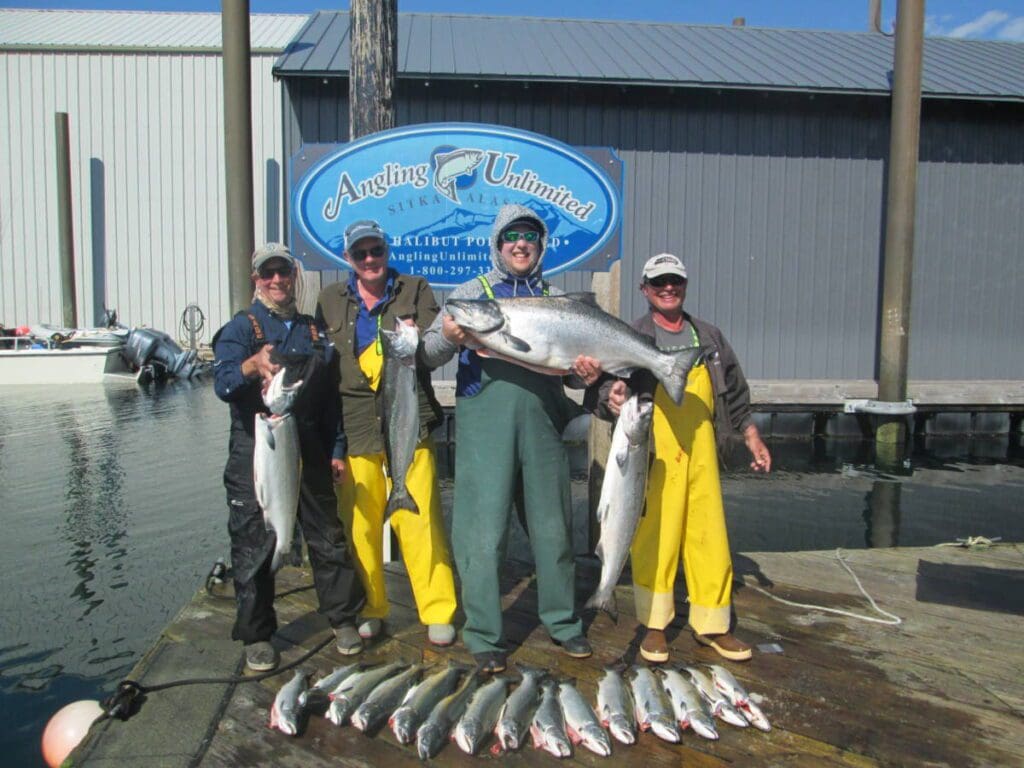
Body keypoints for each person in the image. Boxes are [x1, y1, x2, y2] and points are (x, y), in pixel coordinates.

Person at [421, 203, 603, 673]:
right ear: (497, 245)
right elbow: (425, 353)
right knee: (482, 534)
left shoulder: (557, 298)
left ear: (541, 247)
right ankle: (483, 633)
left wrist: (585, 376)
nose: (520, 244)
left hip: (544, 424)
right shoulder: (469, 293)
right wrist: (448, 335)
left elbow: (573, 378)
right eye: (510, 237)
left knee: (554, 528)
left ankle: (564, 623)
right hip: (485, 425)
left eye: (530, 237)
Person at [592, 252, 771, 664]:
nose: (668, 289)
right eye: (659, 283)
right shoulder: (631, 334)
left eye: (675, 281)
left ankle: (713, 625)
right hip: (651, 450)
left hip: (703, 445)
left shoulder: (708, 337)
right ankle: (655, 626)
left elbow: (735, 394)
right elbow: (603, 389)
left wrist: (751, 435)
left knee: (710, 534)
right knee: (657, 534)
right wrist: (611, 396)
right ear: (645, 290)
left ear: (685, 286)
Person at [213, 243, 366, 671]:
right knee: (253, 546)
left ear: (294, 277)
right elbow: (222, 383)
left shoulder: (312, 330)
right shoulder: (241, 330)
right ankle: (257, 635)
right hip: (258, 450)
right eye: (268, 274)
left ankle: (343, 619)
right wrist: (250, 367)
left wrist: (336, 449)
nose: (277, 280)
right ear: (256, 280)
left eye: (284, 273)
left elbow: (330, 402)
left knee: (328, 538)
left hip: (311, 448)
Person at [315, 220, 458, 650]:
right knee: (359, 525)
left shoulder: (414, 288)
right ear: (349, 259)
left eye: (376, 250)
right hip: (354, 425)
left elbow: (432, 354)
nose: (370, 260)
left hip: (410, 425)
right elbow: (322, 370)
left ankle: (438, 610)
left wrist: (444, 337)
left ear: (386, 250)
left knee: (421, 522)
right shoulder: (328, 300)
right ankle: (371, 608)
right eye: (361, 254)